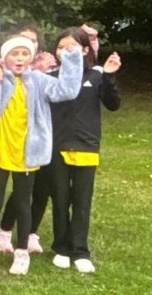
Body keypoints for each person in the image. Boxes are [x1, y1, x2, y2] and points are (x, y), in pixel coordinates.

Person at [0, 35, 83, 277]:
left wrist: (72, 59)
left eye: (24, 54)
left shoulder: (40, 80)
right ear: (5, 57)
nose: (19, 59)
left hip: (26, 154)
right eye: (14, 54)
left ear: (31, 57)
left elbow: (67, 91)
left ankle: (21, 253)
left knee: (22, 204)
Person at [48, 28, 121, 273]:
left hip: (86, 146)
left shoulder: (96, 75)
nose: (64, 51)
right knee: (60, 199)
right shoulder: (51, 76)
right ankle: (61, 248)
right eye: (60, 47)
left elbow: (113, 104)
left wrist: (109, 76)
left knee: (81, 201)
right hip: (57, 146)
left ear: (85, 50)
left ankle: (80, 250)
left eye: (71, 46)